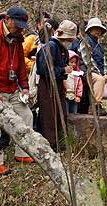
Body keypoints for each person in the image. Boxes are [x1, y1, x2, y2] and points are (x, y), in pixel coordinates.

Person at [0, 7, 34, 175]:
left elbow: (21, 66)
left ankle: (22, 153)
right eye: (17, 25)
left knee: (26, 116)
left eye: (22, 26)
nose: (19, 28)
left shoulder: (17, 39)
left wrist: (24, 86)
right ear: (7, 19)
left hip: (12, 88)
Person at [36, 20, 77, 151]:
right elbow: (44, 69)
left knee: (60, 114)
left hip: (58, 84)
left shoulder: (61, 48)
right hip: (47, 85)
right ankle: (50, 145)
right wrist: (63, 70)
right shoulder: (51, 47)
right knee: (49, 116)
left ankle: (59, 142)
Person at [77, 17, 107, 116]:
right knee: (99, 79)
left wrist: (105, 73)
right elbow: (87, 60)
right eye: (95, 29)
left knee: (103, 79)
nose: (98, 31)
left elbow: (104, 60)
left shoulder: (99, 44)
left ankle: (97, 105)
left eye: (99, 29)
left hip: (97, 71)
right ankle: (96, 105)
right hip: (86, 71)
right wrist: (99, 74)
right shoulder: (85, 42)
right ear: (89, 30)